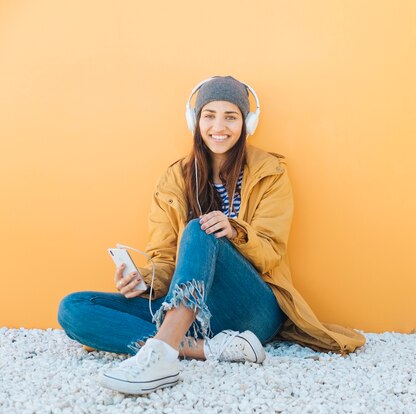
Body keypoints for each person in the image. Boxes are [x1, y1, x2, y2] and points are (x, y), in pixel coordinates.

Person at [57, 76, 366, 395]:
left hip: (252, 308)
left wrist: (235, 230)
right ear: (195, 120)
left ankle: (161, 354)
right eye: (209, 115)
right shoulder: (174, 179)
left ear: (246, 122)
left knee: (198, 229)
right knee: (74, 308)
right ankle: (208, 348)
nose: (219, 126)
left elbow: (272, 251)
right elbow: (164, 259)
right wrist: (144, 279)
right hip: (188, 312)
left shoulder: (270, 173)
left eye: (230, 116)